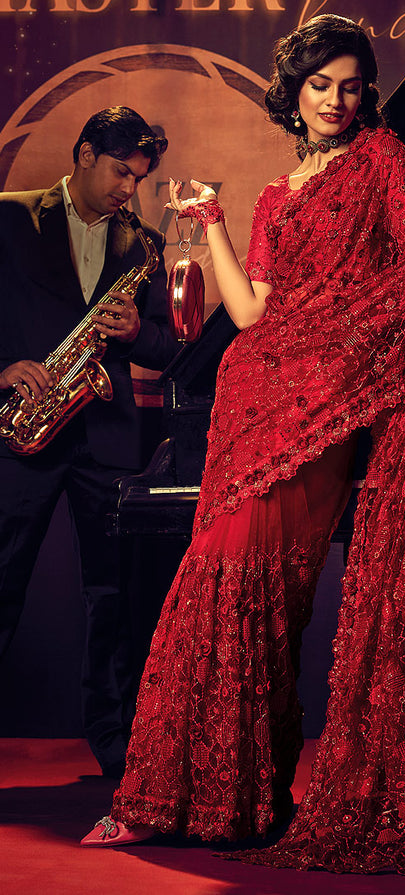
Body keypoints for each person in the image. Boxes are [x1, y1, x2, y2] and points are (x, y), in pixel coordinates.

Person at [80, 18, 405, 872]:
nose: (337, 101)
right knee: (212, 590)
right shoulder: (277, 195)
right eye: (321, 84)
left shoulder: (383, 160)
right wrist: (217, 225)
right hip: (251, 403)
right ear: (294, 89)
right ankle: (192, 801)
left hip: (324, 409)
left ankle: (227, 798)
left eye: (351, 85)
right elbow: (249, 314)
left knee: (262, 600)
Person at [0, 106, 180, 779]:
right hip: (21, 422)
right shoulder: (10, 215)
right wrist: (3, 367)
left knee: (113, 597)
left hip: (104, 436)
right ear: (81, 154)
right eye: (118, 171)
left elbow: (168, 349)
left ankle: (114, 744)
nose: (128, 189)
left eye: (137, 178)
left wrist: (137, 333)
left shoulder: (143, 244)